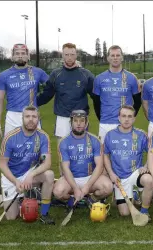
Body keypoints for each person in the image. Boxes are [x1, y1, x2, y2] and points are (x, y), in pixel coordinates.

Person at [36, 43, 95, 174]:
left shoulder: (86, 74)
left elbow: (96, 95)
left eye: (72, 54)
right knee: (63, 152)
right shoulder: (56, 74)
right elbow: (46, 95)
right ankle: (64, 184)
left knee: (83, 152)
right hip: (62, 118)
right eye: (66, 54)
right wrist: (33, 102)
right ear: (62, 56)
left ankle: (84, 182)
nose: (69, 57)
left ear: (76, 55)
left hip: (81, 119)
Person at [0, 105, 55, 224]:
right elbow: (3, 165)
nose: (30, 119)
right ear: (22, 118)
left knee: (49, 175)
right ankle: (22, 199)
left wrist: (31, 175)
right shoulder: (10, 137)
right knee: (11, 217)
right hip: (12, 177)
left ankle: (44, 214)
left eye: (34, 117)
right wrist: (15, 181)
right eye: (27, 116)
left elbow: (47, 163)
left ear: (38, 119)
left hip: (29, 173)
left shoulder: (43, 136)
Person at [53, 110, 113, 208]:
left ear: (86, 123)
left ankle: (91, 199)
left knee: (108, 187)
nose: (79, 124)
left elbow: (99, 166)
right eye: (75, 121)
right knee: (58, 192)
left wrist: (86, 187)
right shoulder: (64, 142)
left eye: (82, 121)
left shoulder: (95, 140)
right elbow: (65, 169)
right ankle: (73, 200)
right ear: (71, 123)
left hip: (90, 177)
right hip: (71, 179)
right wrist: (75, 189)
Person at [104, 105, 153, 220]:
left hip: (135, 173)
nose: (126, 119)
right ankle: (134, 194)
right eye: (124, 116)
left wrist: (146, 166)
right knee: (124, 213)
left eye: (130, 116)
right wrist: (111, 173)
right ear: (119, 118)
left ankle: (144, 211)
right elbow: (105, 155)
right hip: (119, 178)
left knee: (148, 180)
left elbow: (151, 153)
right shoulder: (110, 135)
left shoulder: (141, 135)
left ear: (134, 119)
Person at [0, 43, 49, 141]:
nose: (20, 55)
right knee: (10, 152)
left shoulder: (38, 72)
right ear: (12, 56)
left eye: (23, 53)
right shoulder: (4, 75)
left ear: (28, 56)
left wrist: (40, 100)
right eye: (17, 53)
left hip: (32, 115)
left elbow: (53, 86)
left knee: (35, 151)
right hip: (12, 117)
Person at [92, 45, 142, 143]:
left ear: (122, 57)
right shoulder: (99, 78)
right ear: (108, 58)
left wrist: (129, 117)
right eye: (112, 55)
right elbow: (96, 103)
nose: (115, 58)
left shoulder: (131, 78)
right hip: (105, 124)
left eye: (118, 55)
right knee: (103, 155)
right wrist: (102, 118)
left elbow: (137, 102)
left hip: (124, 124)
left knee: (123, 155)